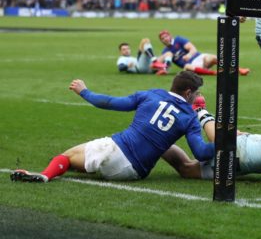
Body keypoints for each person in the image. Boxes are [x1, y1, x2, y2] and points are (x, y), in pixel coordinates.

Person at [11, 71, 215, 183]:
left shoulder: (151, 94)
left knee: (67, 155)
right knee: (162, 143)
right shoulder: (189, 117)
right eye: (196, 93)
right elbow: (202, 152)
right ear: (188, 93)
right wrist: (225, 140)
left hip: (116, 152)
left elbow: (109, 102)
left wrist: (84, 92)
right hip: (136, 173)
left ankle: (46, 175)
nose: (197, 96)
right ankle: (76, 167)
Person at [157, 30, 250, 76]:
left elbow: (193, 48)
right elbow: (165, 64)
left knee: (214, 58)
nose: (165, 39)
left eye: (166, 36)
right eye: (163, 38)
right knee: (187, 67)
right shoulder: (166, 52)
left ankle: (239, 69)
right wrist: (163, 70)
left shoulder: (178, 39)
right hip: (191, 66)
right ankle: (214, 73)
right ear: (161, 41)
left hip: (199, 58)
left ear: (170, 36)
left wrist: (189, 54)